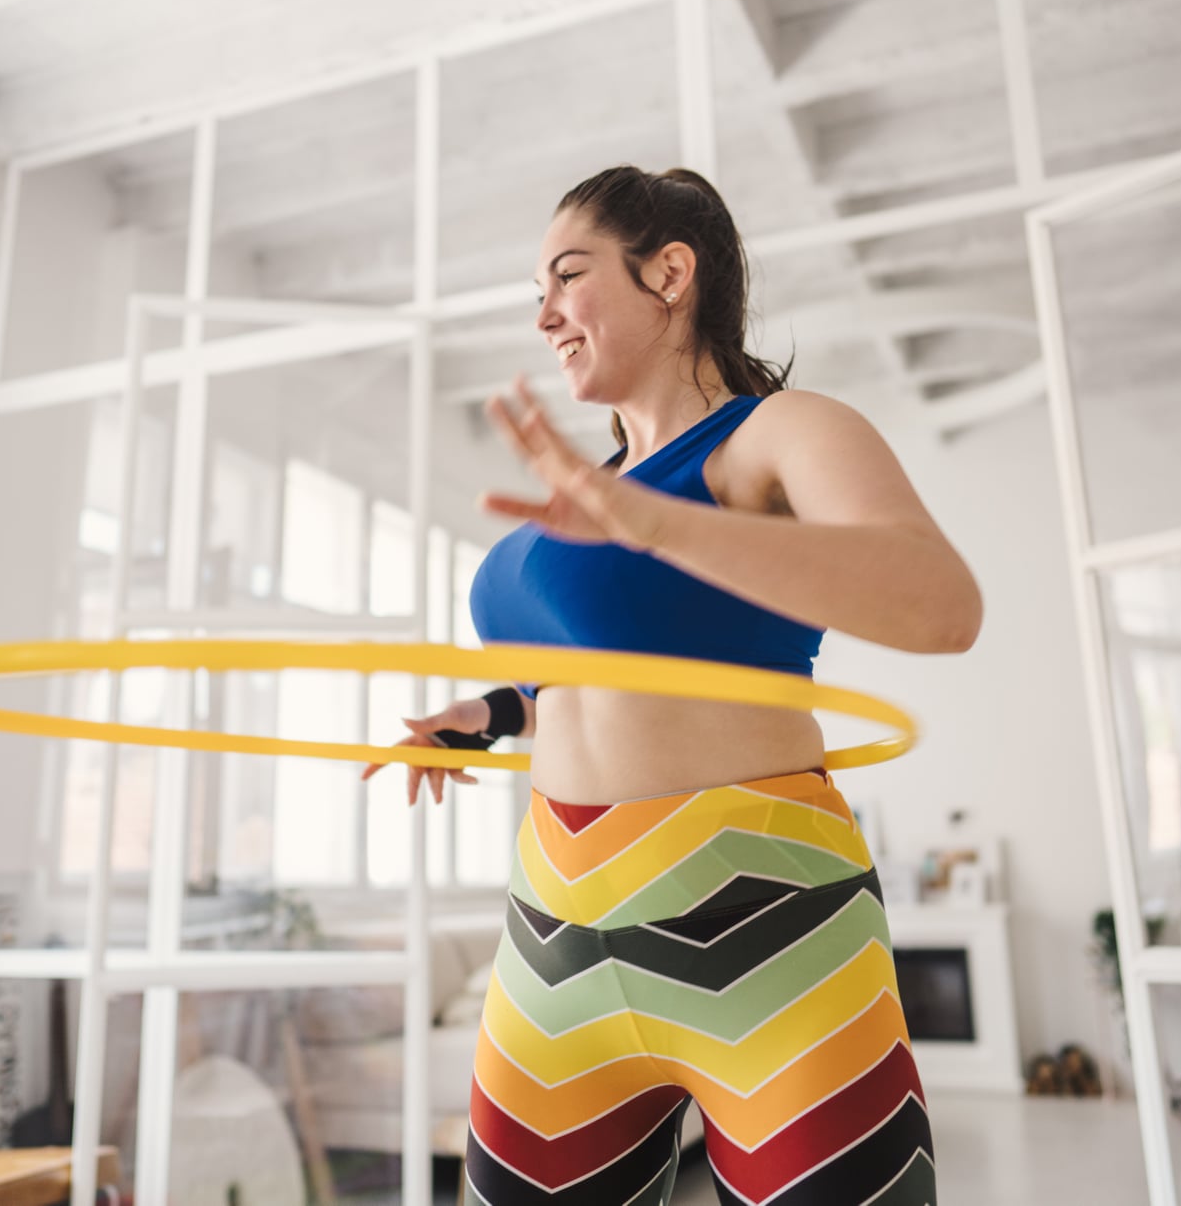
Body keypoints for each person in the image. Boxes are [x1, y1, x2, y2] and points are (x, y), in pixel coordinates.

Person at [364, 165, 982, 1205]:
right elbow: (593, 669)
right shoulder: (584, 498)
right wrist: (486, 716)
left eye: (567, 276)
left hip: (764, 923)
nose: (545, 314)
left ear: (668, 274)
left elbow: (939, 605)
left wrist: (658, 524)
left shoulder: (773, 436)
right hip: (556, 933)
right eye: (536, 293)